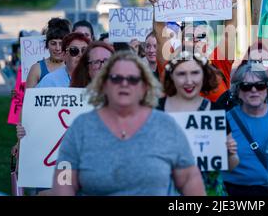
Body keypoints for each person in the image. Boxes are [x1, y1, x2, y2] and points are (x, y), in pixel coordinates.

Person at [52, 51, 205, 196]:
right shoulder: (81, 127)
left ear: (144, 87)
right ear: (104, 84)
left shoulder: (166, 126)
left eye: (132, 79)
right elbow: (64, 179)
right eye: (116, 78)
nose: (124, 83)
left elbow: (189, 178)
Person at [157, 50, 239, 196]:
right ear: (172, 77)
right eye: (181, 74)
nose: (189, 81)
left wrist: (230, 153)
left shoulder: (214, 111)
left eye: (195, 73)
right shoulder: (156, 111)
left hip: (209, 191)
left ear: (204, 75)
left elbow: (232, 165)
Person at [149, 0, 239, 102]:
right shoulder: (171, 64)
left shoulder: (219, 64)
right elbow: (160, 33)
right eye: (189, 37)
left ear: (207, 41)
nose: (196, 41)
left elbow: (229, 32)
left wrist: (232, 4)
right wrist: (158, 7)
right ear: (181, 41)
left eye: (201, 37)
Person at [221, 63, 268, 196]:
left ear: (267, 88)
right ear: (237, 91)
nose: (254, 90)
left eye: (260, 85)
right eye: (246, 86)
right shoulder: (226, 120)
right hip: (236, 192)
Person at [215, 41, 268, 113]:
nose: (260, 66)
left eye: (265, 61)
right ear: (246, 66)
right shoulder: (229, 98)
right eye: (255, 62)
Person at [26, 18, 71, 88]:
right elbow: (28, 98)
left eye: (61, 43)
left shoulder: (73, 67)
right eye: (53, 43)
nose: (58, 48)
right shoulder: (36, 69)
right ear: (47, 45)